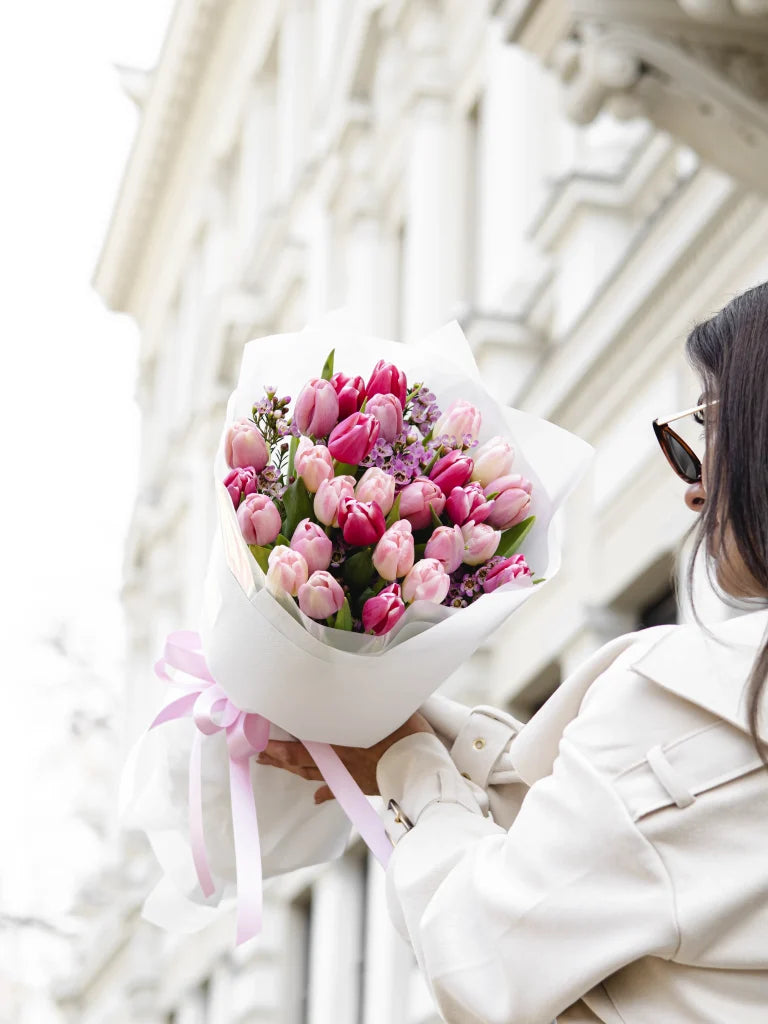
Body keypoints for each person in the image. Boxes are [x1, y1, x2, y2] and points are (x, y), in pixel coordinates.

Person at [258, 283, 768, 1023]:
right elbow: (616, 850)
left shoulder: (709, 689)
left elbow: (484, 956)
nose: (694, 491)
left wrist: (409, 762)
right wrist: (427, 737)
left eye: (708, 426)